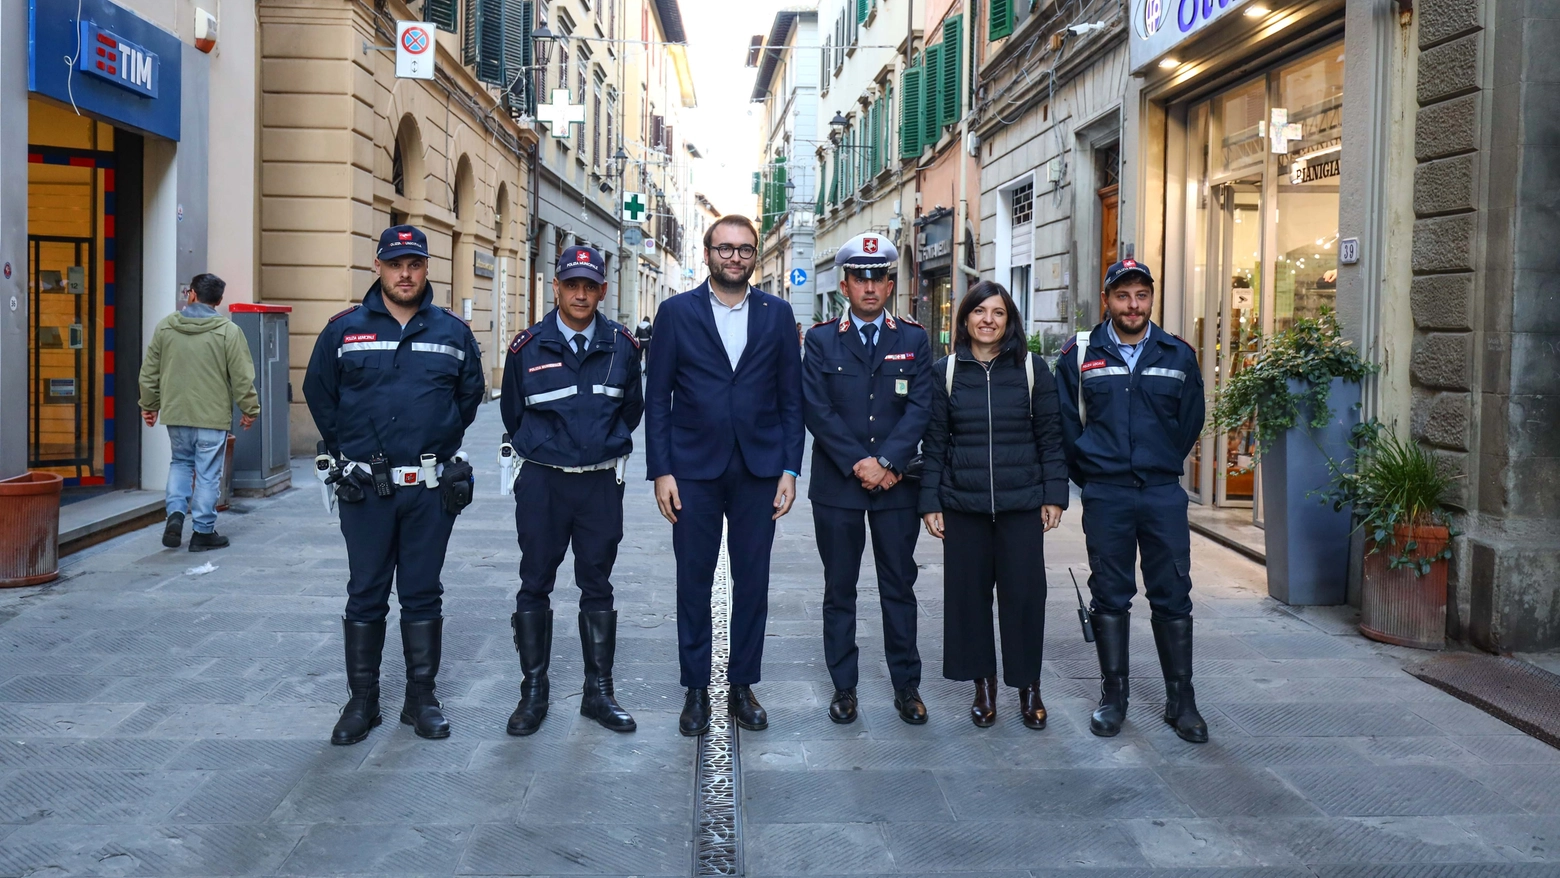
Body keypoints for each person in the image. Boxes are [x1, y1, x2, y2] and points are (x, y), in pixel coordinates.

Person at [303, 225, 485, 746]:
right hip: (366, 490)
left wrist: (440, 436)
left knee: (423, 593)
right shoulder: (344, 330)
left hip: (429, 489)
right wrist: (351, 447)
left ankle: (420, 698)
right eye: (395, 263)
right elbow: (320, 393)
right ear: (378, 268)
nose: (405, 272)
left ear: (427, 268)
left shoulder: (452, 332)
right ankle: (362, 702)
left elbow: (469, 394)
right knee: (365, 593)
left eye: (414, 263)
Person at [645, 214, 805, 736]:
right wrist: (661, 469)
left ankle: (741, 685)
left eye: (744, 250)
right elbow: (658, 398)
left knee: (752, 580)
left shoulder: (778, 314)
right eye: (724, 249)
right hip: (692, 468)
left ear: (754, 256)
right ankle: (696, 689)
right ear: (707, 252)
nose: (734, 257)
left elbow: (791, 398)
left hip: (759, 468)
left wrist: (789, 467)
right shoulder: (675, 313)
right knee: (693, 579)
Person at [1055, 258, 1209, 744]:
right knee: (1110, 592)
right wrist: (1097, 473)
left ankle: (1180, 699)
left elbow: (1189, 423)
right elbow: (1065, 428)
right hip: (1106, 494)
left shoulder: (1178, 354)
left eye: (1141, 295)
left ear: (1151, 298)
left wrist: (1158, 463)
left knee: (1173, 592)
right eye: (1123, 296)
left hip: (1162, 493)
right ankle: (1114, 696)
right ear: (1108, 300)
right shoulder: (1080, 356)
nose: (1133, 305)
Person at [499, 246, 644, 737]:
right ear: (556, 287)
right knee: (534, 581)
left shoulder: (623, 346)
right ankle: (533, 692)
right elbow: (513, 415)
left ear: (602, 290)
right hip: (542, 482)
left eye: (590, 285)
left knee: (597, 585)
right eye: (572, 284)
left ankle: (598, 693)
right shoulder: (526, 347)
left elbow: (631, 410)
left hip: (600, 483)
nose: (581, 293)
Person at [919, 281, 1067, 730]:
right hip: (963, 506)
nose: (988, 320)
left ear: (1010, 320)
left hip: (1021, 504)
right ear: (964, 319)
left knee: (1025, 598)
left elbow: (1050, 436)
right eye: (979, 311)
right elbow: (935, 443)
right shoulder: (944, 372)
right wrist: (930, 501)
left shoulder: (1031, 368)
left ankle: (1028, 688)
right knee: (968, 600)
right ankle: (982, 686)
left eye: (998, 313)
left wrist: (1054, 494)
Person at [801, 233, 932, 725]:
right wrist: (861, 463)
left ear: (892, 283)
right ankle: (845, 687)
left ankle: (907, 686)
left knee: (899, 587)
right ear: (844, 284)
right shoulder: (819, 340)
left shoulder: (914, 339)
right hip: (838, 488)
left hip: (898, 487)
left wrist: (890, 464)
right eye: (861, 278)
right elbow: (816, 408)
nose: (870, 287)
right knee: (840, 589)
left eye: (879, 278)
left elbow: (921, 407)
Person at [138, 273, 260, 552]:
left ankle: (176, 515)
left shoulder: (166, 326)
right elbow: (242, 377)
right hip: (211, 415)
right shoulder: (228, 331)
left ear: (191, 294)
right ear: (218, 301)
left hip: (177, 413)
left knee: (180, 463)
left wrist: (149, 405)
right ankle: (203, 531)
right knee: (207, 473)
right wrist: (250, 409)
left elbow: (149, 372)